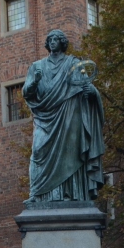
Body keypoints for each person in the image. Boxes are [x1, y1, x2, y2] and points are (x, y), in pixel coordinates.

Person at [22, 30, 106, 202]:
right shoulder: (37, 66)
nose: (52, 42)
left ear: (62, 42)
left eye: (56, 39)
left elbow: (86, 86)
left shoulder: (73, 64)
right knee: (38, 151)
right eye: (50, 39)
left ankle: (71, 194)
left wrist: (92, 92)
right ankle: (37, 194)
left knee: (70, 155)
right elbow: (27, 93)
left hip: (70, 114)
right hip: (45, 117)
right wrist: (35, 81)